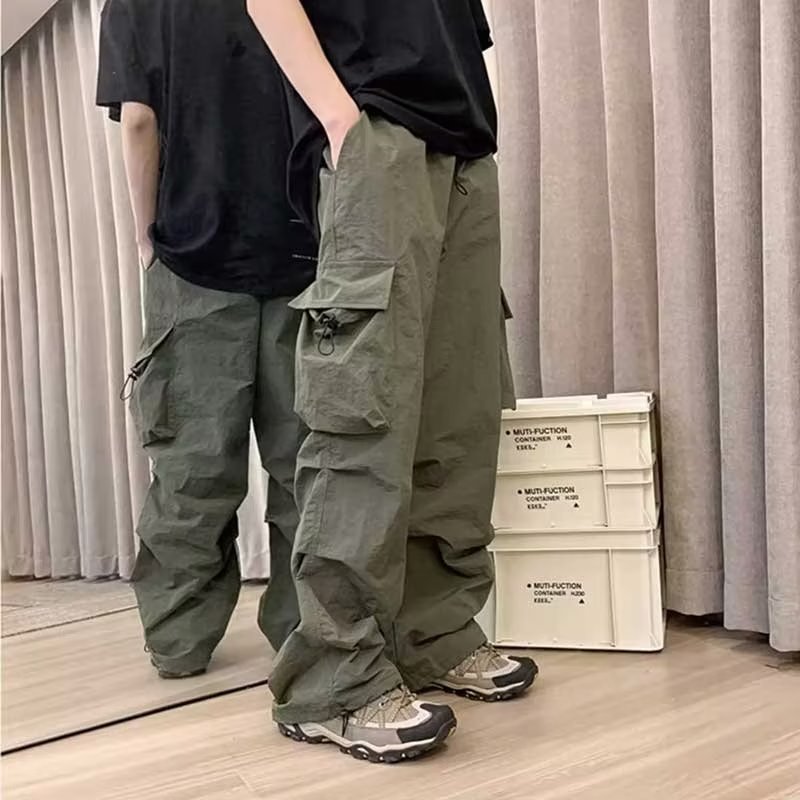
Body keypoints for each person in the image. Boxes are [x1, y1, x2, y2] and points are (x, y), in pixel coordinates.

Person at [247, 0, 537, 763]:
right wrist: (342, 122)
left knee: (457, 414)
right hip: (378, 134)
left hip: (465, 150)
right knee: (362, 414)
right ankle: (332, 679)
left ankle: (434, 633)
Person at [96, 0, 317, 678]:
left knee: (191, 469)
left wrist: (145, 238)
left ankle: (178, 641)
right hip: (302, 251)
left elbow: (140, 120)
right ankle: (304, 631)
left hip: (193, 258)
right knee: (305, 464)